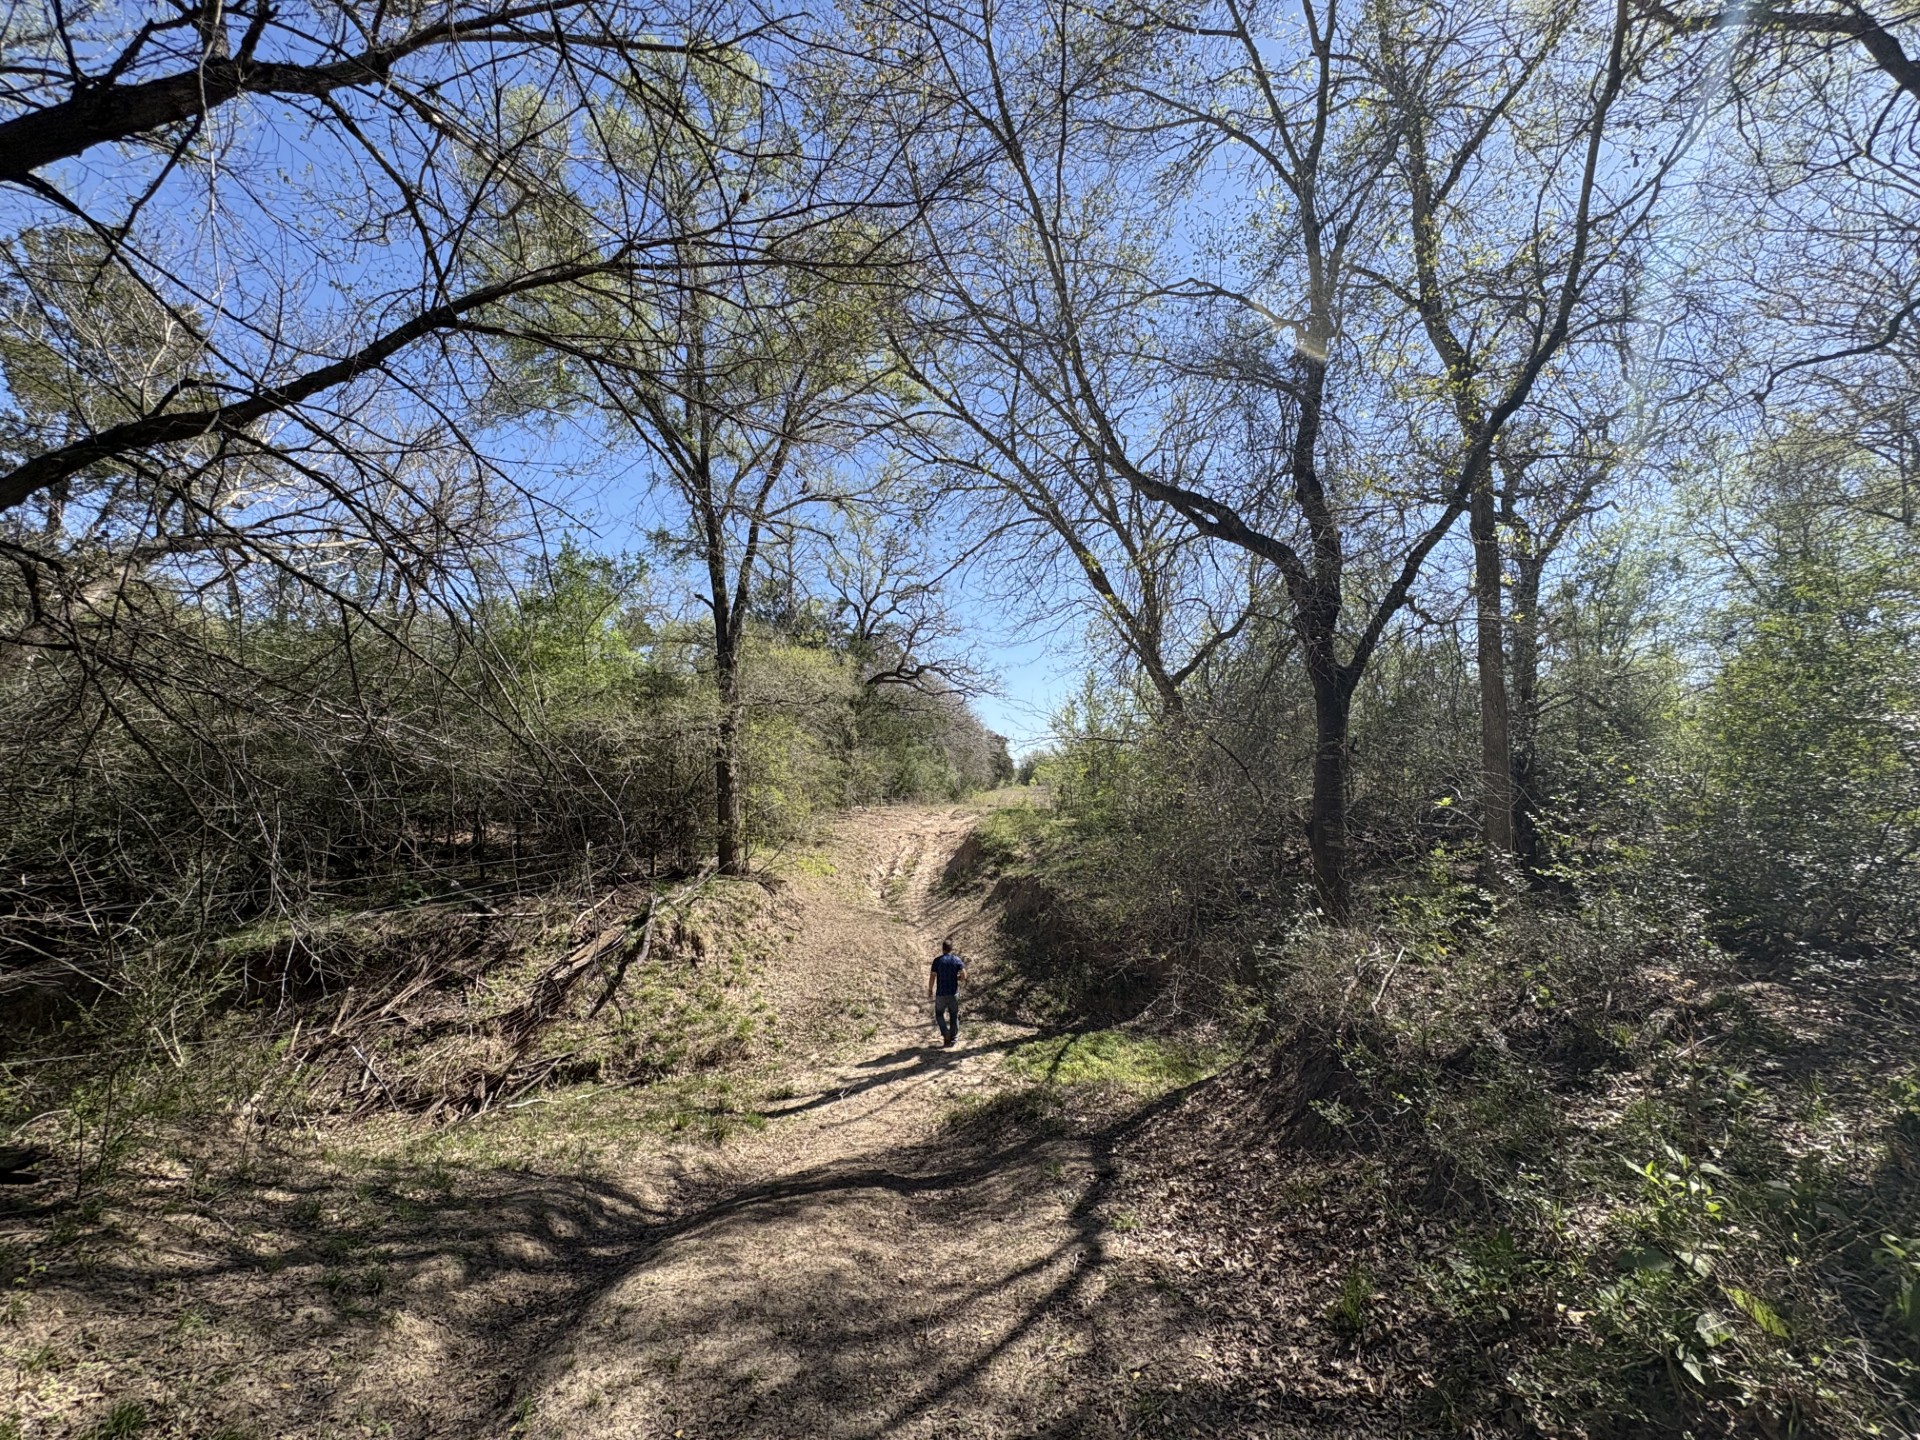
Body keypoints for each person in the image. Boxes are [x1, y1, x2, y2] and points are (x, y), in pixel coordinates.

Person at [927, 938, 967, 1048]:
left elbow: (932, 977)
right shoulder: (956, 960)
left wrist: (930, 989)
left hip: (941, 993)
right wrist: (958, 978)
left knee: (939, 1014)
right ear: (951, 949)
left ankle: (945, 1033)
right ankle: (954, 1038)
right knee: (954, 1015)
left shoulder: (937, 961)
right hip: (953, 993)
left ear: (942, 949)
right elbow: (964, 975)